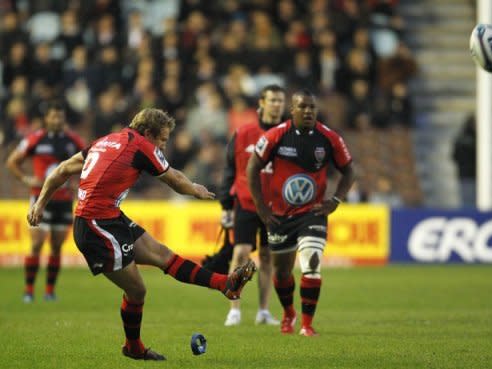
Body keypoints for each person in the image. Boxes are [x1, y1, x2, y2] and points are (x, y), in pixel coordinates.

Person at [27, 108, 256, 361]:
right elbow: (174, 179)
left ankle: (225, 284)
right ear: (148, 133)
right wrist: (195, 190)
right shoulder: (140, 146)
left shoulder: (105, 141)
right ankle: (133, 347)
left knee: (163, 255)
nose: (163, 146)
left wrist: (39, 204)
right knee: (137, 290)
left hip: (109, 217)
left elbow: (61, 170)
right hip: (96, 227)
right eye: (163, 140)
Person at [247, 90, 354, 337]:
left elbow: (349, 171)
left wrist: (336, 200)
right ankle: (288, 313)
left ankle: (307, 325)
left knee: (311, 262)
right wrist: (261, 207)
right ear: (292, 110)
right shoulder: (275, 136)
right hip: (280, 215)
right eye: (302, 107)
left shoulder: (329, 138)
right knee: (282, 272)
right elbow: (253, 167)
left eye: (312, 108)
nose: (308, 112)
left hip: (312, 212)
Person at [218, 84, 285, 327]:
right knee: (240, 253)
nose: (277, 104)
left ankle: (263, 311)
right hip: (245, 202)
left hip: (275, 206)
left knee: (267, 257)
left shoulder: (287, 135)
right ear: (262, 102)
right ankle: (234, 309)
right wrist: (225, 204)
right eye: (273, 100)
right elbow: (229, 169)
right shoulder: (244, 133)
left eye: (280, 100)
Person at [6, 101, 85, 303]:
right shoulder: (35, 139)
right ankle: (29, 290)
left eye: (60, 116)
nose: (57, 120)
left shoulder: (73, 141)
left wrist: (77, 184)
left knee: (57, 246)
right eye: (53, 116)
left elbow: (90, 162)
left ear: (64, 118)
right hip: (40, 199)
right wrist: (26, 179)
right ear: (46, 118)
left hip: (64, 200)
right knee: (37, 243)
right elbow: (12, 161)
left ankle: (50, 291)